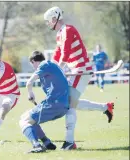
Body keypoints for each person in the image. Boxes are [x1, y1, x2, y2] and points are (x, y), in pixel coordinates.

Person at [43, 6, 114, 150]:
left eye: (48, 21)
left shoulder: (68, 30)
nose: (48, 24)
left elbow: (66, 53)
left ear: (54, 18)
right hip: (75, 70)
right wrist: (49, 69)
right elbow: (57, 55)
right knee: (70, 102)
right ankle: (106, 107)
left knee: (69, 103)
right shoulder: (59, 34)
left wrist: (57, 69)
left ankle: (69, 142)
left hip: (80, 70)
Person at [19, 51, 69, 153]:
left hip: (53, 104)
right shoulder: (52, 65)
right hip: (63, 106)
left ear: (33, 61)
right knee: (28, 117)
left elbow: (29, 83)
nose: (33, 68)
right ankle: (47, 143)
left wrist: (30, 93)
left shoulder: (43, 65)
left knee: (24, 121)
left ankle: (36, 146)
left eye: (32, 64)